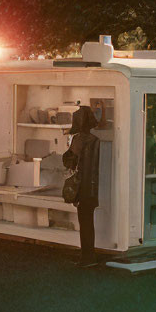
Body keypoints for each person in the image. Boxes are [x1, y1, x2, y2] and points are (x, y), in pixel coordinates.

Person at [63, 106, 100, 267]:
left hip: (81, 186)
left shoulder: (79, 139)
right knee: (88, 223)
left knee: (83, 222)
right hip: (92, 186)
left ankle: (86, 258)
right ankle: (89, 256)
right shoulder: (94, 139)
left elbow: (69, 161)